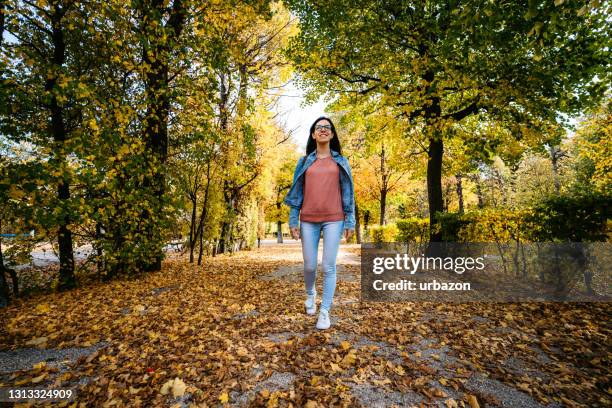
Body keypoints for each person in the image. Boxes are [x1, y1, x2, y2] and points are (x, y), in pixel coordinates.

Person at [283, 116, 356, 330]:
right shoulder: (304, 162)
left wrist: (349, 220)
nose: (323, 130)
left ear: (332, 134)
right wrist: (293, 219)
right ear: (313, 134)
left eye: (327, 127)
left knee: (328, 265)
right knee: (309, 265)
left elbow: (348, 192)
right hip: (308, 220)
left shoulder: (341, 161)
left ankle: (324, 311)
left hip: (334, 219)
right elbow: (296, 193)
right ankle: (310, 293)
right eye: (319, 127)